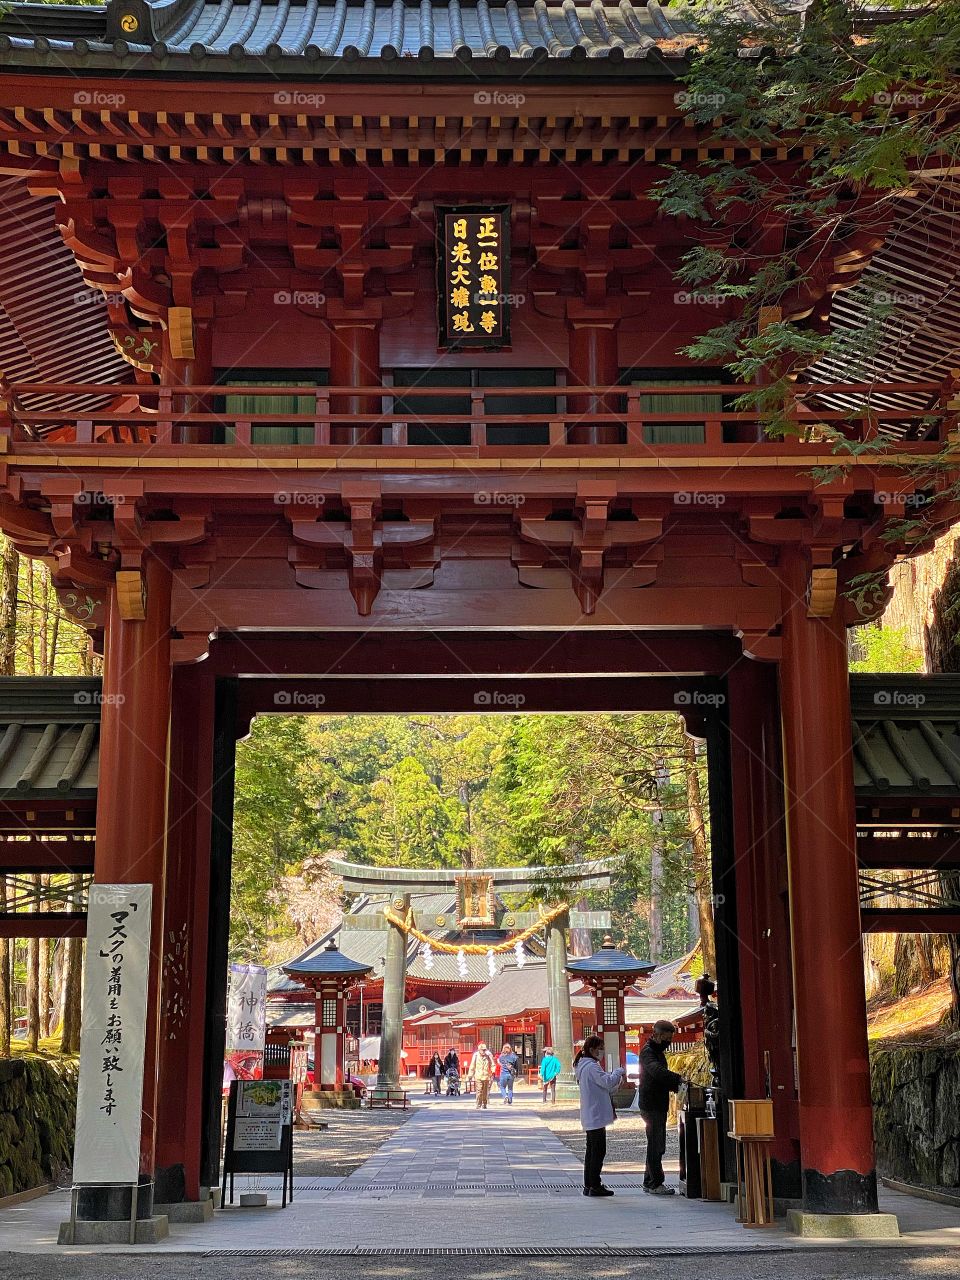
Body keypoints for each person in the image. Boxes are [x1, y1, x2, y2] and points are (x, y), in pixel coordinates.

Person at [574, 1034, 626, 1197]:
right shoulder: (592, 1067)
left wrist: (616, 1083)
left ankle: (589, 1184)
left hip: (591, 1113)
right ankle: (595, 1184)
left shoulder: (584, 1066)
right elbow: (607, 1082)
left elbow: (603, 1087)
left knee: (591, 1151)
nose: (602, 1051)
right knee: (598, 1151)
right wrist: (618, 1071)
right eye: (600, 1048)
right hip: (596, 1114)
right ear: (592, 1050)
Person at [637, 1019, 683, 1196]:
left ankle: (649, 1181)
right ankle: (655, 1183)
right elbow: (656, 1072)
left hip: (656, 1102)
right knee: (656, 1144)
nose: (668, 1042)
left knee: (655, 1143)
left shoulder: (657, 1051)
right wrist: (677, 1080)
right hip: (651, 1104)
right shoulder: (648, 1052)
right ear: (657, 1035)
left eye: (670, 1039)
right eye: (666, 1038)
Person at [467, 1041, 497, 1109]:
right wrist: (470, 1075)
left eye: (484, 1050)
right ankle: (478, 1104)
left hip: (486, 1076)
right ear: (479, 1050)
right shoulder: (476, 1055)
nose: (483, 1051)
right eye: (482, 1050)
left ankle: (484, 1103)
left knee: (485, 1091)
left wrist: (493, 1071)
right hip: (478, 1075)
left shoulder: (488, 1055)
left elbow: (493, 1064)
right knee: (479, 1090)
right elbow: (472, 1065)